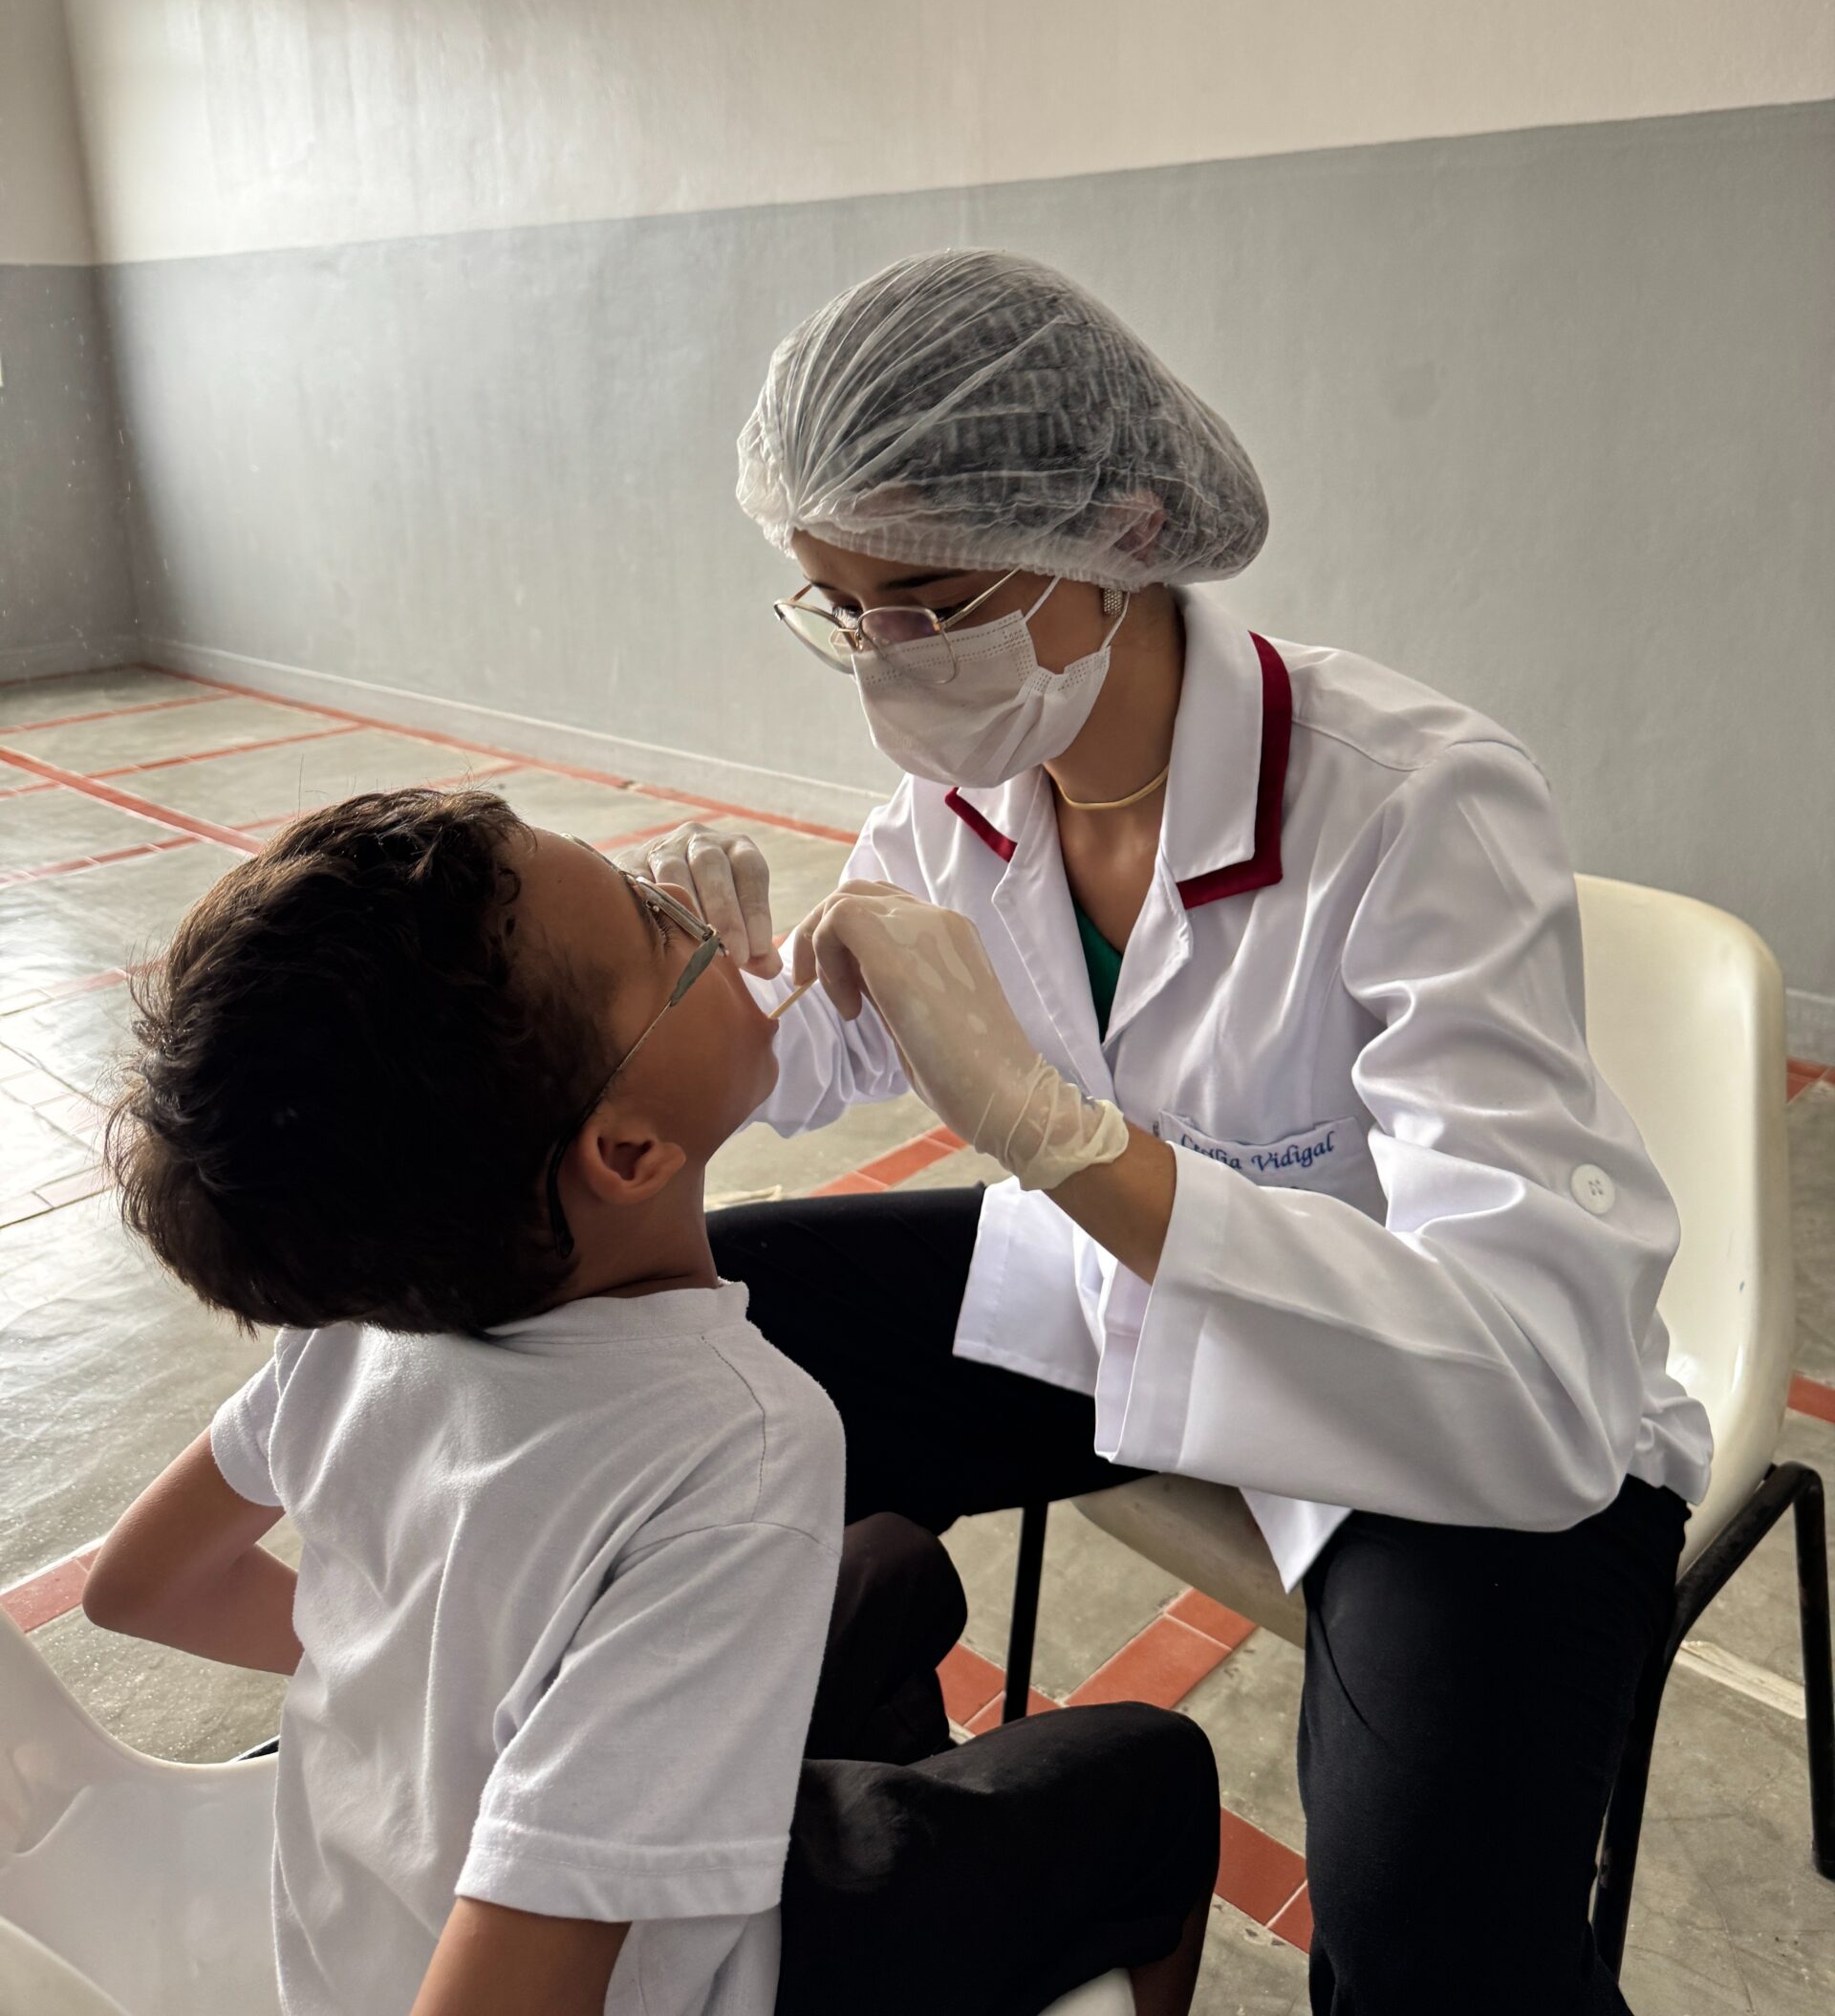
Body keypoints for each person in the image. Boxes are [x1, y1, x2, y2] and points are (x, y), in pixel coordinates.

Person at [644, 248, 1716, 2015]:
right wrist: (696, 994)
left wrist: (1057, 1135)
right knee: (694, 1330)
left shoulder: (1415, 802)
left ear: (1122, 534)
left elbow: (1527, 1371)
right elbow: (823, 1041)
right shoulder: (969, 791)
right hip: (1128, 1300)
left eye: (927, 601)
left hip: (1438, 1400)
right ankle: (819, 1817)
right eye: (839, 610)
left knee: (1432, 1945)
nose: (884, 666)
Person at [84, 787, 1220, 2016]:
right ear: (627, 1153)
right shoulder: (743, 1440)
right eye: (652, 919)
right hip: (682, 1985)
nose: (697, 910)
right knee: (1151, 1772)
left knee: (893, 1567)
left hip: (354, 1935)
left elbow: (139, 1585)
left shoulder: (360, 1320)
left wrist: (419, 1694)